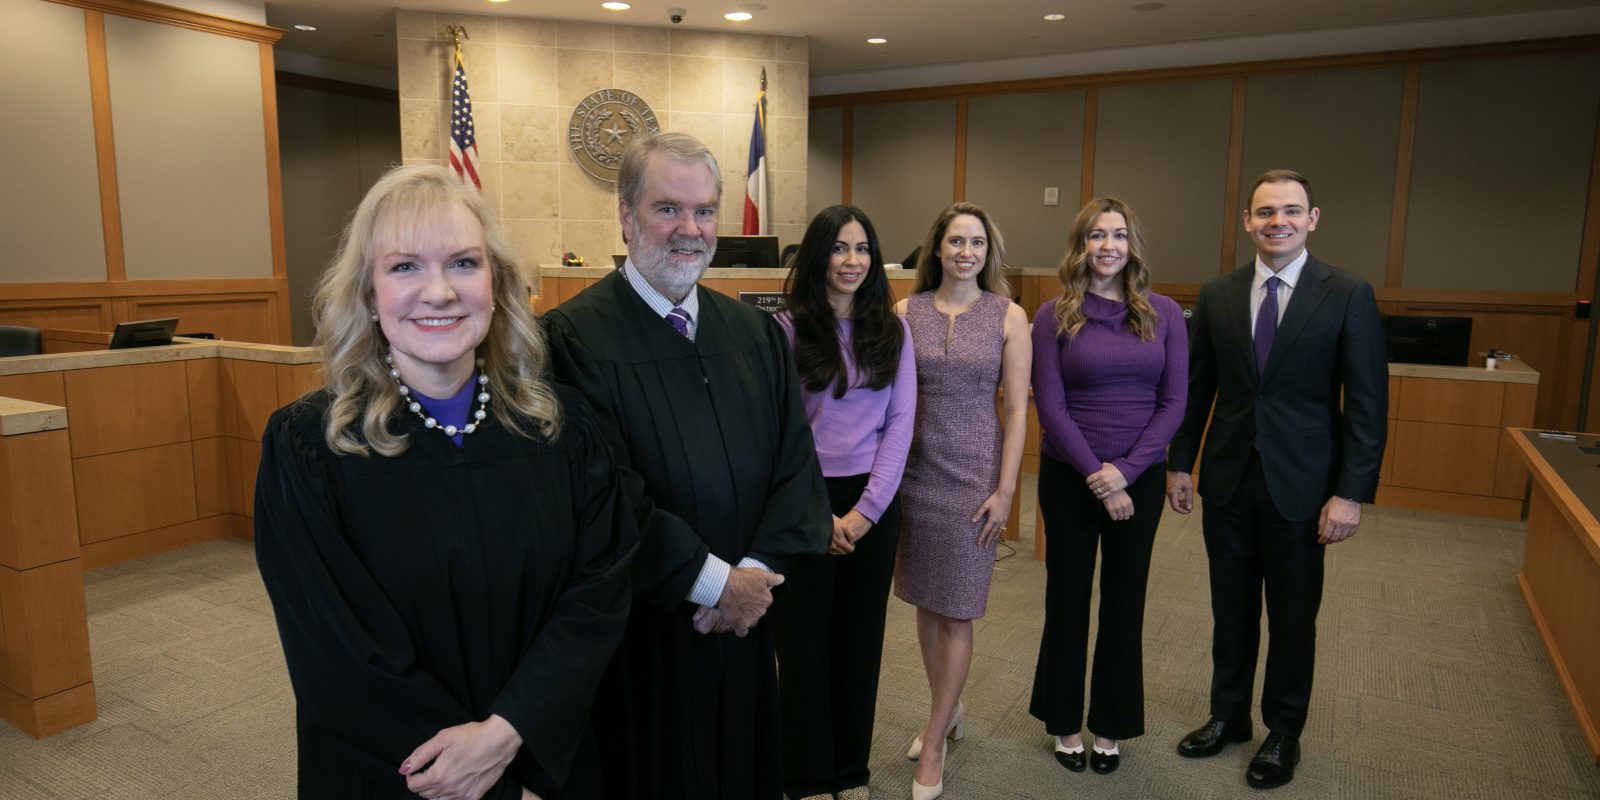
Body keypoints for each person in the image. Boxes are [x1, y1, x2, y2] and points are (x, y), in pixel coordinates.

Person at [254, 165, 635, 800]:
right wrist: (470, 767)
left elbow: (598, 594)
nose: (439, 292)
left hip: (546, 756)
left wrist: (510, 734)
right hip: (399, 772)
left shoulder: (562, 428)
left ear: (497, 285)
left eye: (463, 263)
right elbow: (335, 648)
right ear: (370, 295)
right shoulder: (310, 446)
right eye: (404, 267)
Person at [542, 132, 830, 800]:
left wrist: (751, 580)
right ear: (625, 217)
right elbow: (602, 493)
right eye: (667, 209)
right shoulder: (572, 339)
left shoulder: (753, 334)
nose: (689, 230)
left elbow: (796, 465)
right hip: (647, 633)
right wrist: (710, 583)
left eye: (704, 212)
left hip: (745, 623)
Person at [1167, 170, 1387, 789]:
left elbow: (1368, 404)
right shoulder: (1218, 294)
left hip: (1306, 487)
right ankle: (1228, 716)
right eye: (1265, 212)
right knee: (1230, 608)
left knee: (1292, 616)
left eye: (1291, 211)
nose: (1277, 222)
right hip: (1230, 480)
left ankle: (1283, 730)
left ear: (1312, 219)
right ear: (1247, 221)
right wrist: (1181, 463)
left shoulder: (1347, 294)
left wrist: (1350, 493)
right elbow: (1197, 388)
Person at [1028, 198, 1187, 776]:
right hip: (1070, 476)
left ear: (1132, 245)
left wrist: (1127, 470)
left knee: (1125, 603)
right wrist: (1100, 474)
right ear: (1081, 245)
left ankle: (1110, 724)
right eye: (1097, 235)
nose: (1108, 246)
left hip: (1138, 480)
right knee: (1066, 600)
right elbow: (1050, 404)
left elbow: (1174, 403)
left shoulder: (1165, 312)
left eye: (1119, 235)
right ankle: (1064, 722)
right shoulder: (1052, 315)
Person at [771, 205, 917, 800]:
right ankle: (806, 775)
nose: (852, 260)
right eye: (838, 248)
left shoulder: (893, 330)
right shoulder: (783, 329)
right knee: (802, 644)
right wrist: (817, 514)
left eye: (862, 249)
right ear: (817, 256)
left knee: (859, 644)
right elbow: (784, 433)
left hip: (872, 506)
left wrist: (864, 513)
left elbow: (900, 425)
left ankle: (849, 771)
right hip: (804, 504)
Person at [893, 202, 1031, 800]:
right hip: (915, 476)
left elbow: (1019, 410)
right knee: (925, 602)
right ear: (938, 248)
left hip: (975, 481)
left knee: (957, 610)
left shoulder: (1009, 315)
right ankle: (945, 711)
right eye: (955, 241)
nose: (965, 252)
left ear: (987, 252)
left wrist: (1006, 491)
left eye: (976, 242)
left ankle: (936, 735)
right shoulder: (905, 312)